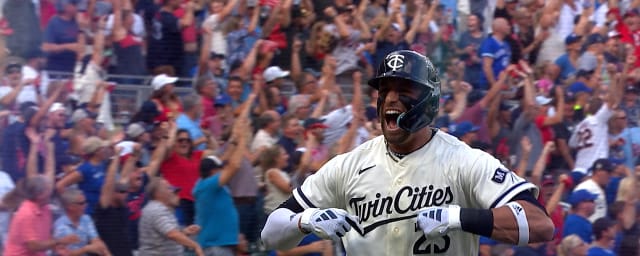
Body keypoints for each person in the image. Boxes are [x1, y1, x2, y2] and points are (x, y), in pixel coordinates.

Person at [260, 50, 554, 255]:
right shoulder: (348, 166)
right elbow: (270, 234)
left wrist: (460, 217)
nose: (391, 99)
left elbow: (539, 224)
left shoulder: (463, 160)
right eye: (384, 90)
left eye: (404, 90)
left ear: (428, 101)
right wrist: (305, 221)